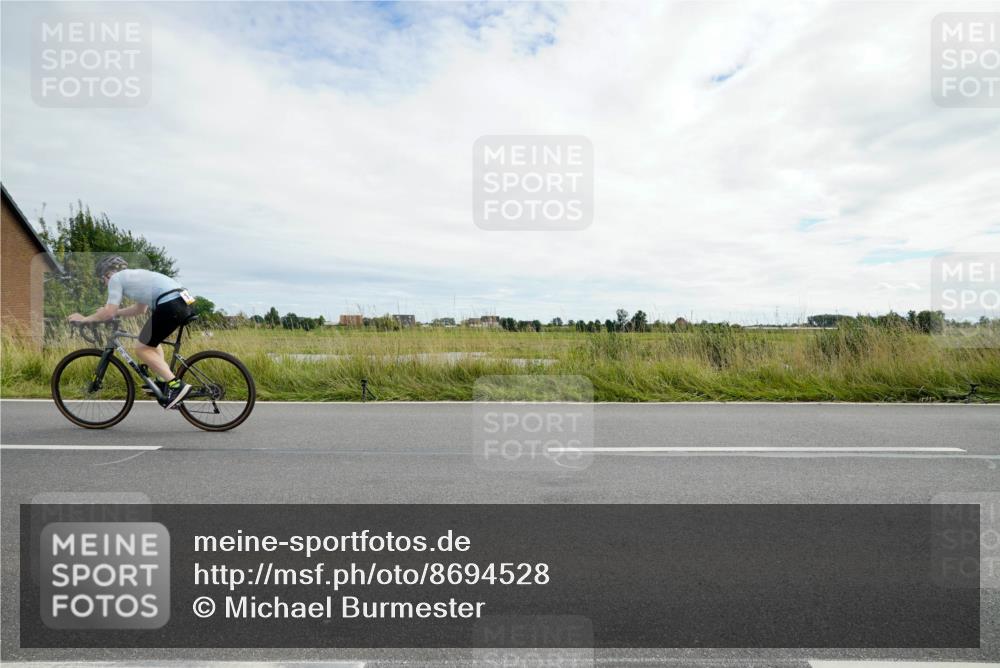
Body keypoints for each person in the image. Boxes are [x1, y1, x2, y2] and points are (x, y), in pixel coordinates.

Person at [68, 256, 194, 409]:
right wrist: (116, 313)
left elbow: (109, 312)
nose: (104, 283)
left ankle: (176, 385)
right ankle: (162, 381)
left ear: (107, 274)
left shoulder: (115, 279)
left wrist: (84, 319)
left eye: (102, 279)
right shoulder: (136, 277)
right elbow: (139, 310)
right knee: (151, 343)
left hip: (170, 304)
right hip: (184, 301)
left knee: (141, 348)